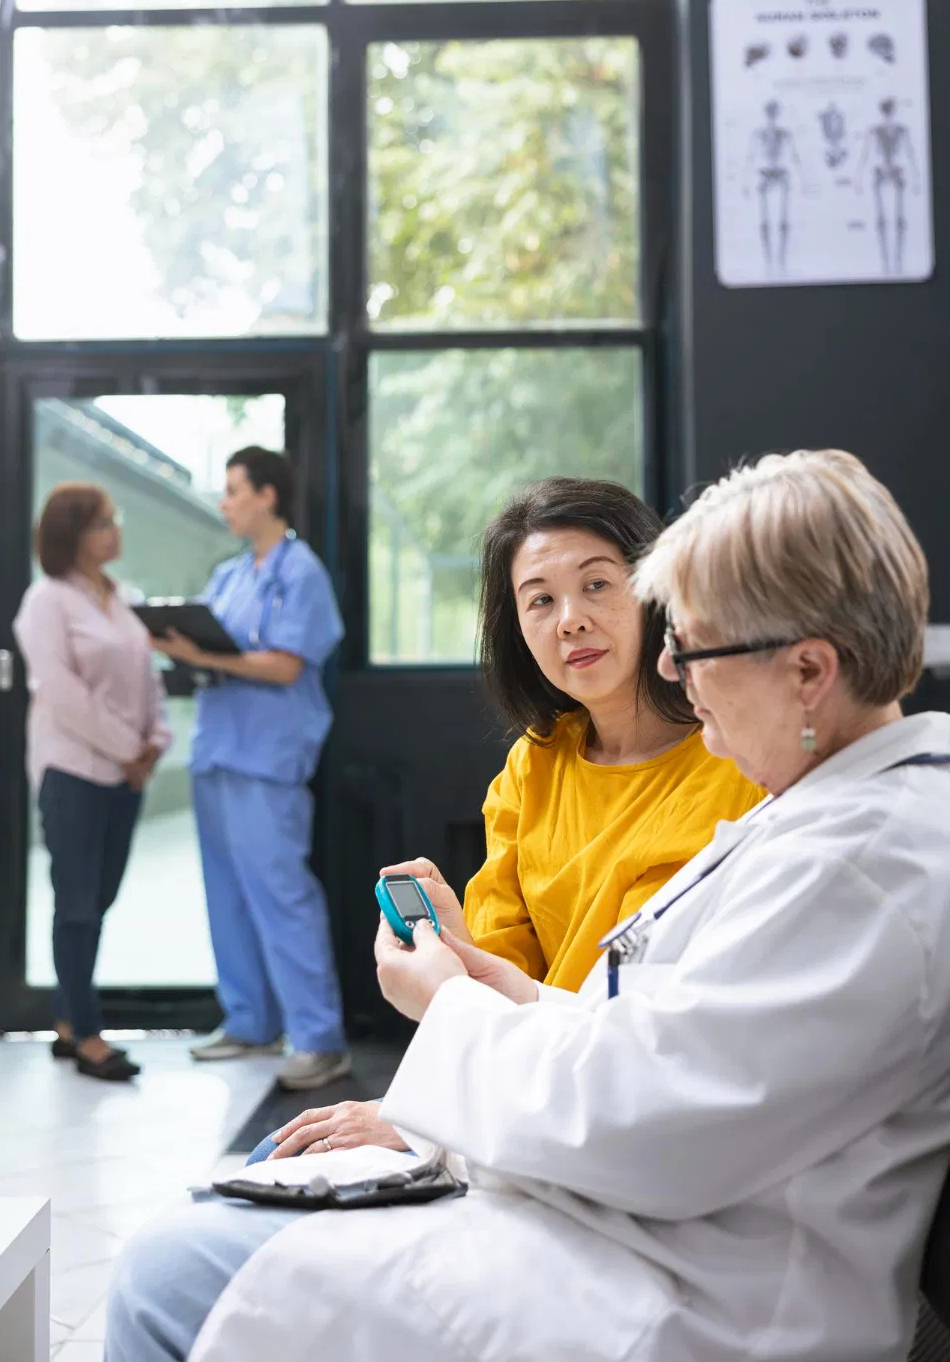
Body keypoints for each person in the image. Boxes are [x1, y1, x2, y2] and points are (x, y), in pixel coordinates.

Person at [107, 448, 950, 1362]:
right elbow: (647, 1041)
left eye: (694, 644)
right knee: (221, 1226)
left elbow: (643, 1120)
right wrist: (489, 981)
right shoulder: (823, 819)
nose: (674, 667)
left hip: (681, 1291)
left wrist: (446, 1006)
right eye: (538, 600)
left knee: (169, 1274)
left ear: (810, 672)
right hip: (621, 1215)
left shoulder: (857, 868)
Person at [255, 477, 763, 1160]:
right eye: (540, 601)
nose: (570, 620)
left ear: (655, 589)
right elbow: (498, 970)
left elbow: (660, 1029)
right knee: (276, 1160)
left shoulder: (737, 763)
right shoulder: (535, 764)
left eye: (597, 585)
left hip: (628, 1111)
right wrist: (452, 948)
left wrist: (433, 1116)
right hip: (516, 1083)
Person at [150, 446, 348, 1091]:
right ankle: (249, 1023)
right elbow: (212, 651)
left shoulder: (301, 572)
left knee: (281, 897)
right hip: (216, 750)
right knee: (227, 896)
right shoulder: (230, 575)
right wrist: (175, 646)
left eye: (233, 489)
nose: (224, 501)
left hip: (268, 759)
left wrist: (214, 659)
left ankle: (319, 1040)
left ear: (268, 495)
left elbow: (287, 665)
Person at [14, 483, 171, 1082]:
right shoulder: (45, 602)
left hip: (126, 773)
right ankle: (86, 1034)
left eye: (114, 517)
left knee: (98, 898)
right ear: (71, 535)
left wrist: (154, 742)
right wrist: (128, 749)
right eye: (103, 522)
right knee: (78, 904)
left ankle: (62, 1018)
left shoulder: (123, 599)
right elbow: (64, 696)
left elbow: (149, 681)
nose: (115, 530)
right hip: (72, 772)